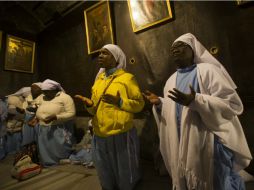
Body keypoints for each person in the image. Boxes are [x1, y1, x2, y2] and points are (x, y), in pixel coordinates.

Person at [143, 33, 252, 190]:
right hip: (181, 140)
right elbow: (176, 108)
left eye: (181, 46)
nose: (175, 49)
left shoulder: (209, 71)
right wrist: (160, 102)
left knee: (216, 181)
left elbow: (232, 104)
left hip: (209, 140)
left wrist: (196, 101)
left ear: (193, 50)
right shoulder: (170, 80)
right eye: (173, 48)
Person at [75, 44, 144, 190]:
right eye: (100, 53)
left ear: (116, 58)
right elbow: (94, 110)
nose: (100, 56)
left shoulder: (127, 79)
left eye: (105, 53)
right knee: (104, 168)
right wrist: (89, 105)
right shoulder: (98, 81)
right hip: (99, 133)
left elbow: (139, 104)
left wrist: (119, 102)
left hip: (120, 133)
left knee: (125, 169)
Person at [36, 79, 76, 167]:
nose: (45, 94)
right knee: (45, 147)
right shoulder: (42, 97)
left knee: (58, 147)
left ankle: (59, 162)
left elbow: (71, 113)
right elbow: (38, 107)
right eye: (43, 92)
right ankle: (47, 162)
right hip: (43, 127)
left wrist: (56, 117)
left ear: (54, 90)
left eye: (47, 92)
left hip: (58, 128)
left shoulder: (65, 98)